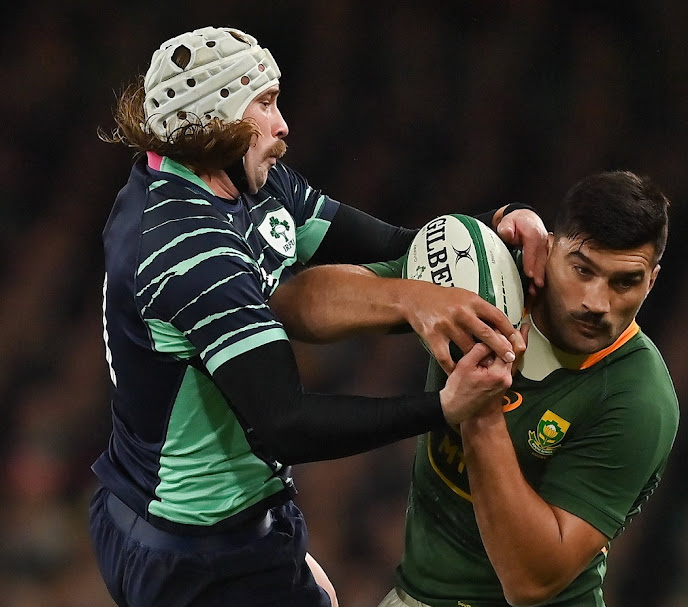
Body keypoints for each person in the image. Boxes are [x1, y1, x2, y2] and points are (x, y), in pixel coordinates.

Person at [89, 25, 548, 607]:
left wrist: (499, 223)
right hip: (195, 555)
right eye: (264, 104)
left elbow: (395, 246)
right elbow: (286, 422)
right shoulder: (188, 249)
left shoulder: (244, 183)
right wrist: (442, 408)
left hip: (211, 524)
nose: (283, 126)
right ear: (214, 121)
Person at [273, 170, 679, 607]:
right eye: (582, 269)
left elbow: (530, 582)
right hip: (417, 595)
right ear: (549, 246)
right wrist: (411, 299)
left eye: (625, 282)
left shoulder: (638, 397)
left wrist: (481, 408)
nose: (596, 303)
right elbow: (293, 306)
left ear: (651, 280)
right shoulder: (487, 274)